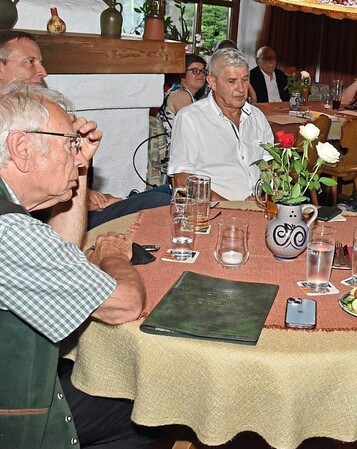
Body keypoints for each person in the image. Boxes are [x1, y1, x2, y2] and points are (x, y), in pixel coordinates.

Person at [0, 80, 155, 448]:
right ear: (22, 148)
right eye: (70, 145)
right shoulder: (10, 231)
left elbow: (63, 252)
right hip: (18, 416)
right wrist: (115, 257)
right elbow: (124, 305)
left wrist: (79, 170)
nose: (80, 155)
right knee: (156, 401)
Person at [0, 30, 171, 230]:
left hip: (69, 208)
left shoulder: (46, 114)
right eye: (30, 62)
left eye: (40, 62)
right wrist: (74, 195)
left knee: (165, 196)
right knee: (158, 203)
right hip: (46, 220)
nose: (43, 71)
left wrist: (84, 190)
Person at [168, 48, 274, 201]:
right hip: (213, 213)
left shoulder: (256, 117)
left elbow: (270, 164)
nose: (241, 88)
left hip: (256, 206)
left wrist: (264, 196)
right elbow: (183, 180)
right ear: (212, 82)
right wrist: (232, 207)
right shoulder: (190, 118)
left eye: (245, 79)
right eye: (232, 81)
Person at [161, 53, 208, 128]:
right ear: (182, 75)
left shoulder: (180, 92)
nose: (201, 75)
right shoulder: (181, 95)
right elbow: (194, 126)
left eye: (203, 71)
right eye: (195, 71)